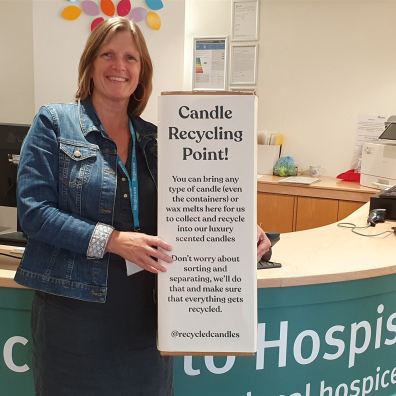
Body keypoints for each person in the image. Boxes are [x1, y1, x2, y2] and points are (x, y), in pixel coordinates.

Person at [14, 16, 271, 396]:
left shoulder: (158, 138)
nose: (119, 67)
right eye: (108, 55)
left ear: (141, 71)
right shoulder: (54, 123)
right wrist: (114, 240)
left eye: (130, 58)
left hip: (146, 313)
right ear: (90, 63)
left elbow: (198, 200)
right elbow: (33, 213)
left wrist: (241, 227)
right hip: (73, 313)